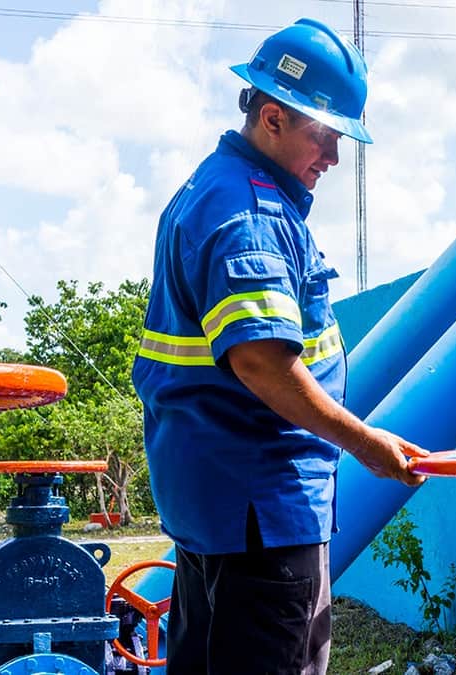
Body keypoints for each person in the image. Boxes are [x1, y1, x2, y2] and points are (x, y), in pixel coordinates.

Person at [131, 17, 429, 675]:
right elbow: (262, 361)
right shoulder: (252, 214)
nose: (333, 156)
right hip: (262, 513)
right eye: (325, 135)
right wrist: (365, 443)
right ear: (272, 117)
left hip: (218, 506)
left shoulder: (212, 190)